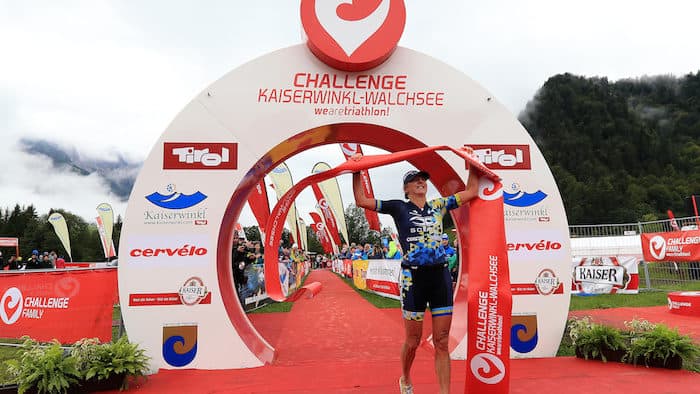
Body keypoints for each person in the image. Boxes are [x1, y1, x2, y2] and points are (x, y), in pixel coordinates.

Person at [352, 152, 479, 394]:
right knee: (413, 341)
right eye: (415, 179)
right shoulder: (398, 207)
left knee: (442, 341)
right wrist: (357, 170)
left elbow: (472, 191)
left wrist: (471, 162)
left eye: (424, 179)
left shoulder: (439, 205)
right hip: (413, 279)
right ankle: (405, 378)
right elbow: (361, 199)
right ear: (406, 188)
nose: (422, 182)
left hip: (439, 277)